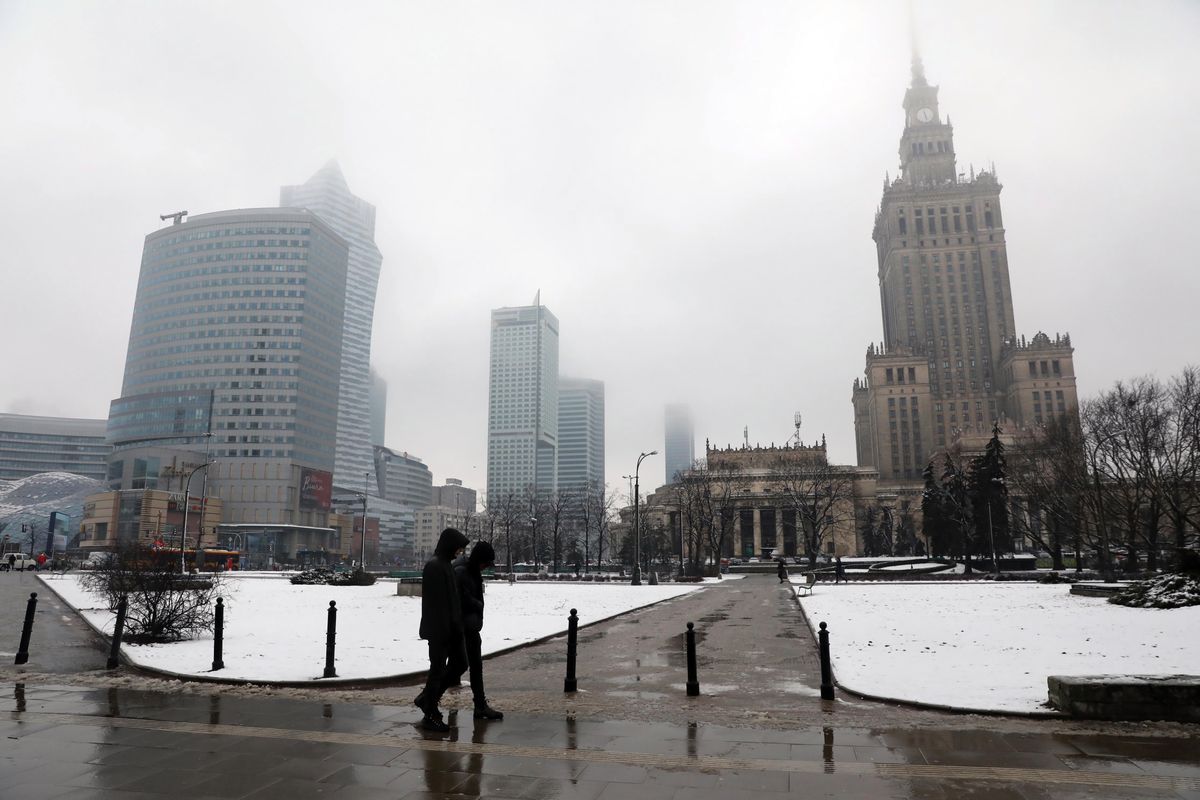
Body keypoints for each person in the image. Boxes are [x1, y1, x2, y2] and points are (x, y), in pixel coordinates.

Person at [414, 527, 469, 732]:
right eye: (459, 548)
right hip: (440, 631)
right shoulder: (435, 567)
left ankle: (427, 698)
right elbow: (436, 605)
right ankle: (431, 713)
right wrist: (448, 630)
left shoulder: (445, 565)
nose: (460, 552)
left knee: (459, 664)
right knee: (437, 670)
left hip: (452, 629)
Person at [450, 541, 503, 721]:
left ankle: (480, 706)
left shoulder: (471, 570)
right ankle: (428, 699)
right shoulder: (461, 572)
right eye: (486, 563)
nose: (486, 567)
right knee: (456, 668)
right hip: (462, 628)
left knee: (475, 667)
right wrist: (477, 604)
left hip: (471, 627)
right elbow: (459, 600)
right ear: (479, 560)